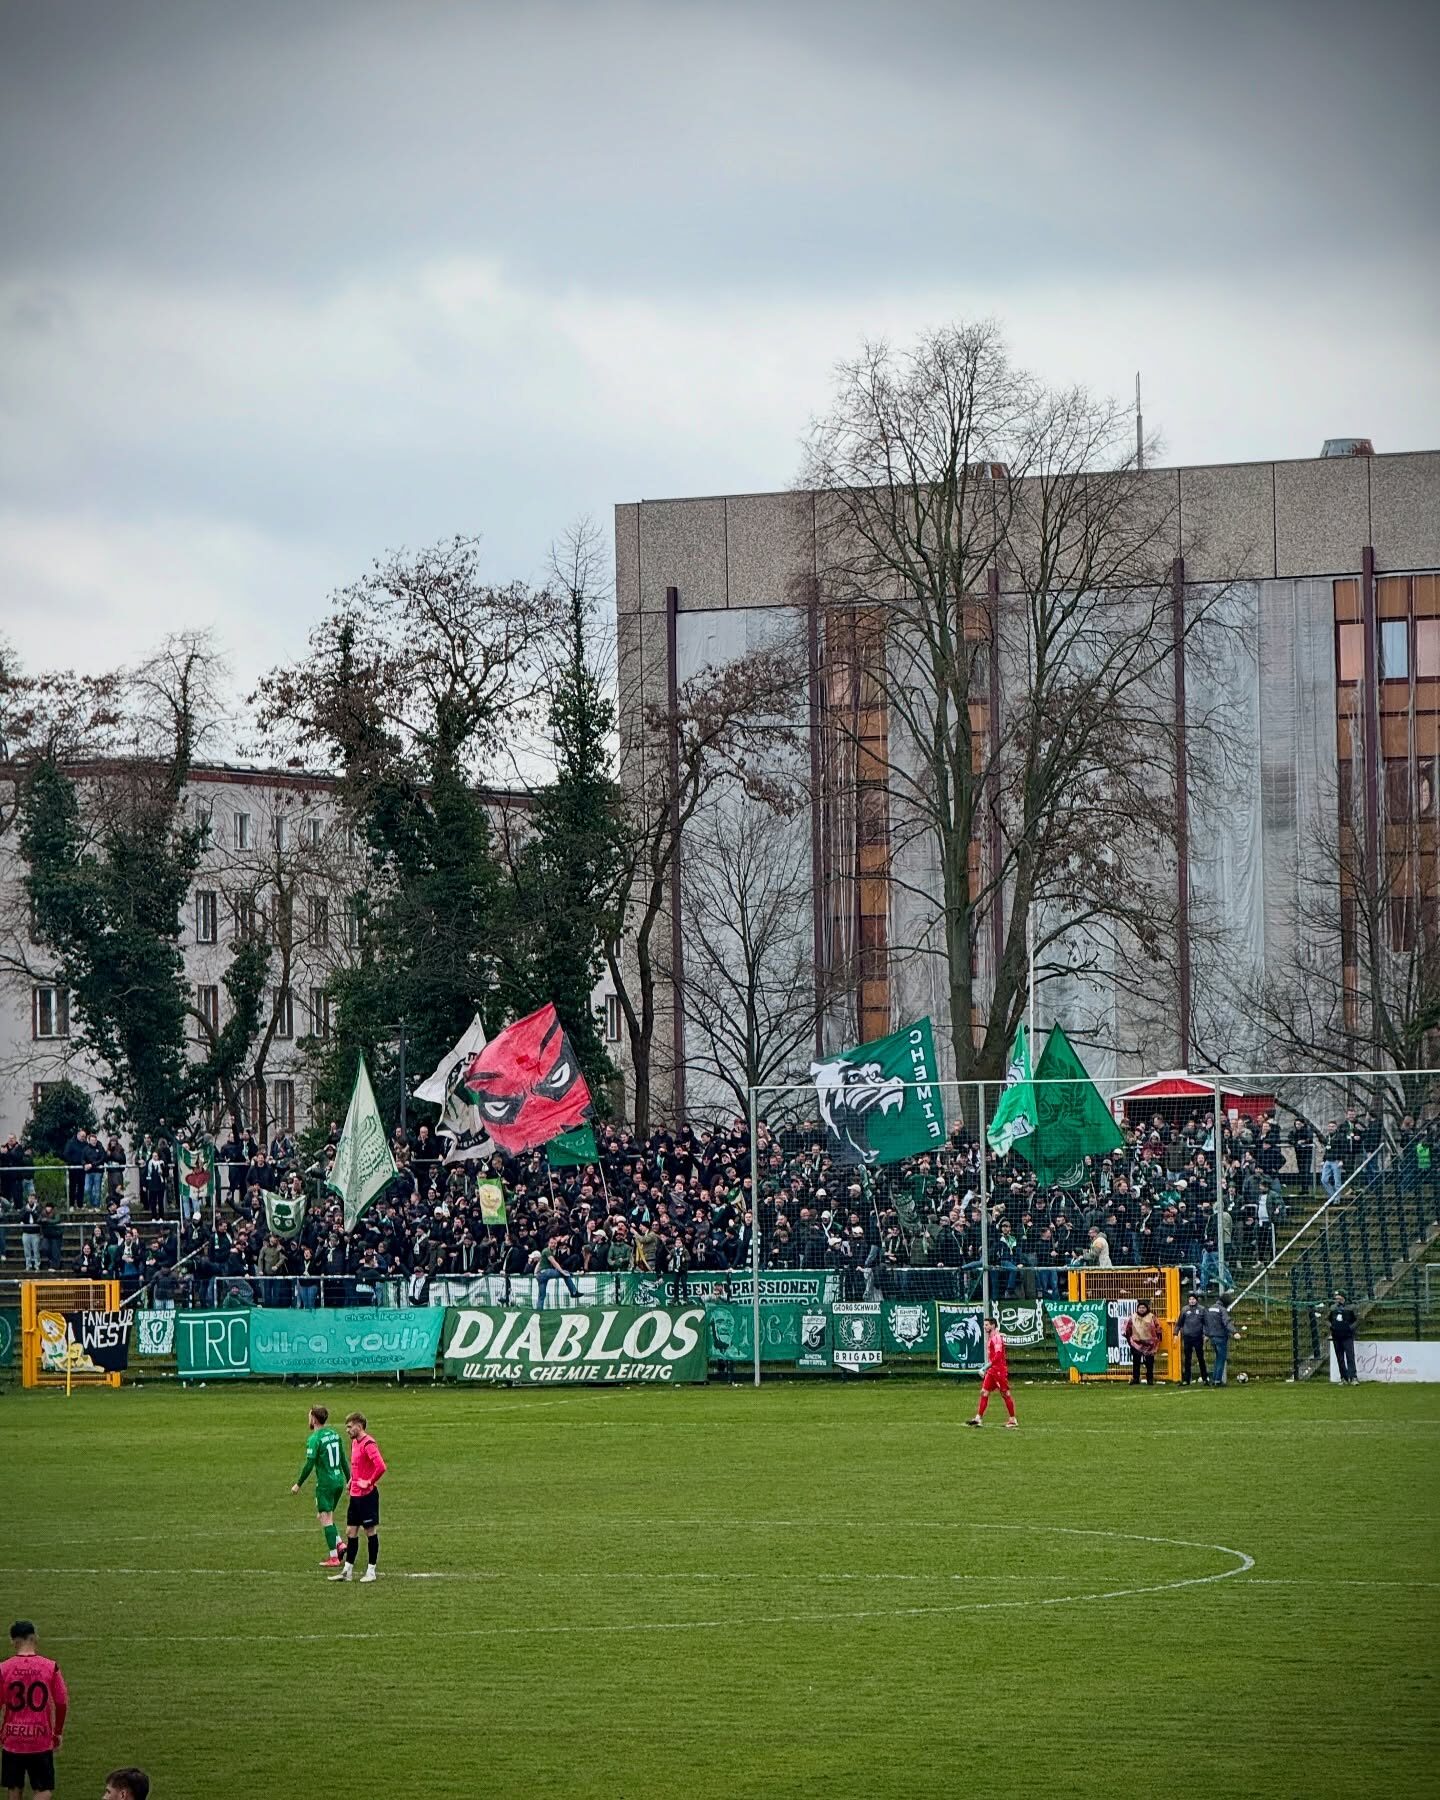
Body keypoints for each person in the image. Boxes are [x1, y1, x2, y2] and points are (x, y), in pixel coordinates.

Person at [1, 1619, 67, 1800]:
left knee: (14, 1787)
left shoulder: (4, 1668)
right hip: (40, 1737)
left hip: (12, 1738)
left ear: (13, 1641)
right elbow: (61, 1702)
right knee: (44, 1789)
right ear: (35, 1638)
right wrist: (58, 1732)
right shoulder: (50, 1666)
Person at [291, 1404, 350, 1568]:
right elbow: (343, 1460)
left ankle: (334, 1557)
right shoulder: (334, 1434)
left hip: (325, 1483)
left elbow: (309, 1465)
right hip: (338, 1481)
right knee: (326, 1516)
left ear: (314, 1419)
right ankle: (340, 1544)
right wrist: (350, 1480)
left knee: (325, 1518)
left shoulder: (314, 1439)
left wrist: (298, 1484)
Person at [330, 1412, 386, 1583]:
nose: (347, 1430)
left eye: (349, 1427)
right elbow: (357, 1466)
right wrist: (352, 1480)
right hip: (355, 1495)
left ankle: (371, 1571)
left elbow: (381, 1467)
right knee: (350, 1532)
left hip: (367, 1496)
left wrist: (368, 1482)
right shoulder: (354, 1443)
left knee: (370, 1532)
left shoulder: (369, 1444)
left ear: (359, 1426)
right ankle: (347, 1571)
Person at [964, 1314, 1017, 1430]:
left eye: (987, 1325)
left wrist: (984, 1368)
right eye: (984, 1325)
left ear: (993, 1326)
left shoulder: (996, 1338)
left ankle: (1012, 1420)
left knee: (1005, 1394)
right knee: (984, 1392)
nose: (984, 1327)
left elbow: (997, 1356)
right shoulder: (994, 1337)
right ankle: (978, 1419)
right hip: (992, 1371)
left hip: (999, 1370)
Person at [1325, 1290, 1359, 1384]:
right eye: (1336, 1297)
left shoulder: (1351, 1307)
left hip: (1347, 1336)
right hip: (1336, 1336)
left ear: (1343, 1297)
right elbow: (1326, 1319)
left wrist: (1350, 1328)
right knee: (1340, 1358)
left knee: (1350, 1356)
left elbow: (1357, 1320)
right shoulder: (1332, 1308)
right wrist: (1331, 1327)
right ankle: (1343, 1377)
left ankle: (1353, 1377)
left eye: (1338, 1296)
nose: (1336, 1298)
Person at [1204, 1291, 1238, 1386]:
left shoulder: (1210, 1308)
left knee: (1218, 1358)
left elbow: (1207, 1323)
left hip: (1212, 1337)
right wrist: (1234, 1332)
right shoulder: (1222, 1310)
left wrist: (1206, 1335)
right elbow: (1226, 1322)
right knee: (1221, 1359)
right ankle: (1217, 1380)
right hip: (1221, 1337)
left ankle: (1215, 1379)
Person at [1124, 1300, 1160, 1386]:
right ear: (1137, 1308)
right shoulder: (1133, 1317)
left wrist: (1156, 1341)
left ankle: (1150, 1379)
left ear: (1147, 1308)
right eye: (1140, 1307)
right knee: (1136, 1362)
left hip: (1149, 1344)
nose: (1142, 1309)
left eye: (1143, 1307)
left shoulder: (1152, 1317)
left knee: (1149, 1363)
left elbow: (1158, 1328)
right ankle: (1136, 1378)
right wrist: (1130, 1340)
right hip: (1136, 1343)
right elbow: (1127, 1329)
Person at [1176, 1292, 1209, 1386]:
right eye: (1190, 1299)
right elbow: (1179, 1323)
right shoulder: (1184, 1309)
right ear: (1188, 1300)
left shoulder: (1202, 1309)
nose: (1192, 1301)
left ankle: (1205, 1378)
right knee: (1187, 1359)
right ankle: (1186, 1379)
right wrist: (1175, 1333)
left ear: (1196, 1300)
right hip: (1187, 1337)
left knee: (1201, 1358)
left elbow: (1206, 1323)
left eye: (1193, 1299)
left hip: (1198, 1337)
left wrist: (1206, 1334)